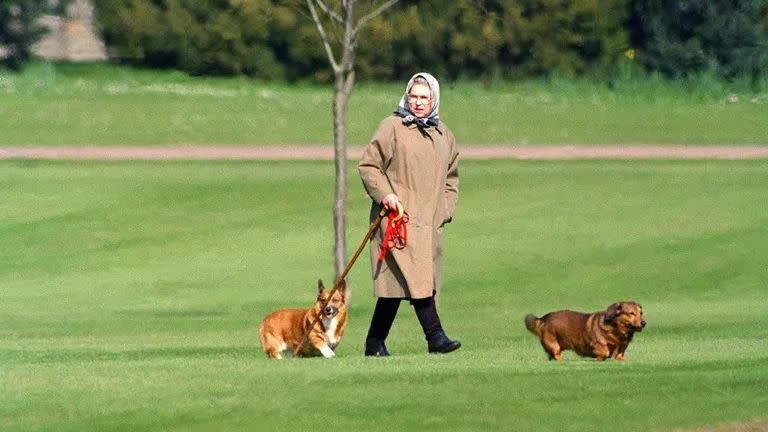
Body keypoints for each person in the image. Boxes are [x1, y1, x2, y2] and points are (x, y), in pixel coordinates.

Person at [358, 72, 461, 356]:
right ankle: (435, 338)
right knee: (419, 280)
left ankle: (374, 343)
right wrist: (385, 195)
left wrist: (445, 210)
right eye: (413, 96)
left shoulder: (444, 135)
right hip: (396, 222)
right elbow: (368, 166)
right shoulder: (391, 127)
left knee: (397, 287)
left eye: (423, 97)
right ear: (406, 96)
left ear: (434, 99)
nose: (418, 102)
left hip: (430, 225)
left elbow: (452, 177)